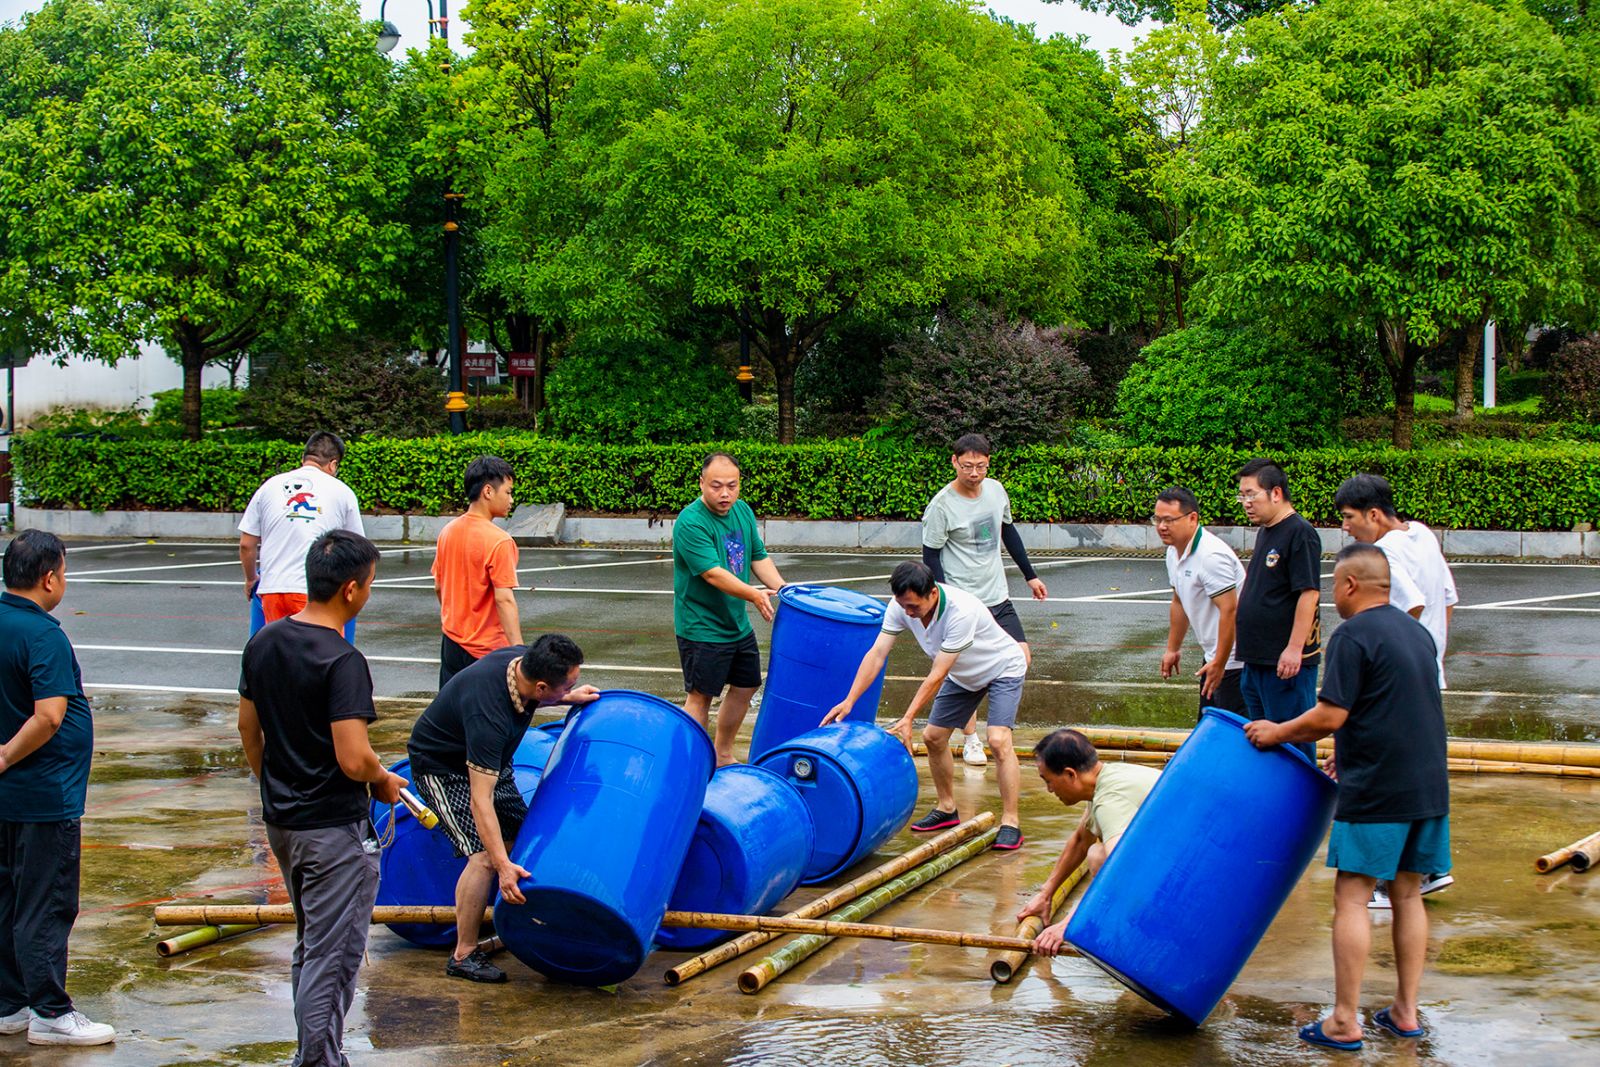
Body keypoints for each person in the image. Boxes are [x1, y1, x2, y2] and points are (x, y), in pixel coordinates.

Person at [1245, 544, 1450, 1052]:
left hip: (1378, 789)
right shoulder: (1416, 632)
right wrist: (1351, 750)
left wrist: (1277, 732)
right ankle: (1405, 1012)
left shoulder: (1353, 635)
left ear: (1352, 585)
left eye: (1335, 584)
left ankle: (1343, 1019)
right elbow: (1394, 706)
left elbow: (1329, 715)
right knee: (1406, 893)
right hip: (1427, 785)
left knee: (1353, 896)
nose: (1333, 595)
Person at [237, 530, 404, 1067]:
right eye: (371, 583)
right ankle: (318, 1060)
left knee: (312, 946)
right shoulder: (342, 660)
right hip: (333, 828)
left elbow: (248, 728)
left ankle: (314, 1052)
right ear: (352, 590)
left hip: (283, 822)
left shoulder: (263, 642)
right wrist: (380, 778)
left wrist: (277, 784)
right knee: (333, 956)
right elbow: (353, 757)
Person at [406, 634, 599, 983]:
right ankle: (463, 954)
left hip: (492, 762)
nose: (572, 685)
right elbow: (481, 801)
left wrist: (569, 696)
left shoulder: (523, 662)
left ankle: (507, 920)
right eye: (567, 684)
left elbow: (538, 695)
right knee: (483, 857)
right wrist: (502, 866)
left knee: (524, 840)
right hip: (443, 769)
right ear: (541, 687)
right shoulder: (489, 715)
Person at [822, 561, 1028, 850]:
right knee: (933, 737)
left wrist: (908, 717)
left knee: (998, 739)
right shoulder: (900, 606)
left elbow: (938, 674)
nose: (908, 613)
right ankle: (947, 808)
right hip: (964, 674)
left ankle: (1011, 821)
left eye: (914, 607)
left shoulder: (961, 610)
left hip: (1002, 667)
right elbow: (877, 654)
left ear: (932, 593)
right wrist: (849, 700)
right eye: (903, 605)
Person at [0, 531, 114, 1047]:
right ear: (50, 578)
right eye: (64, 572)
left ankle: (10, 1003)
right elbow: (49, 716)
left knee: (7, 898)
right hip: (44, 795)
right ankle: (49, 1010)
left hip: (10, 798)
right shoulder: (42, 634)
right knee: (45, 903)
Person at [1334, 473, 1456, 906]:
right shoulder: (1422, 535)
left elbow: (1411, 604)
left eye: (1349, 518)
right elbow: (1447, 598)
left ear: (1373, 513)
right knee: (1423, 768)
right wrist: (1431, 654)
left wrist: (1397, 660)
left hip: (1396, 681)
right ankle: (1430, 868)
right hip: (1426, 671)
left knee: (1390, 773)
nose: (1345, 528)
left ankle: (1390, 879)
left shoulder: (1382, 553)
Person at [921, 432, 1049, 768]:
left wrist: (1030, 575)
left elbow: (1008, 531)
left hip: (997, 596)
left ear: (988, 462)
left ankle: (1000, 726)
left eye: (980, 466)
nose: (974, 473)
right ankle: (971, 738)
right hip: (964, 602)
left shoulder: (996, 491)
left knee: (1020, 658)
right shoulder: (942, 506)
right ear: (954, 462)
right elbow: (930, 556)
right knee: (967, 672)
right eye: (967, 466)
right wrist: (945, 602)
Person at [672, 452, 786, 766]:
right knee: (700, 696)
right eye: (716, 486)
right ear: (701, 484)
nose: (725, 494)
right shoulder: (691, 522)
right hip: (702, 626)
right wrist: (753, 594)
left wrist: (784, 589)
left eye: (732, 486)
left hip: (735, 623)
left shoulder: (743, 512)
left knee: (747, 684)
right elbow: (712, 573)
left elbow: (757, 557)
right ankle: (690, 763)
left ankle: (722, 753)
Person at [1020, 729, 1160, 956]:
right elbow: (1079, 840)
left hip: (1193, 874)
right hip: (1175, 856)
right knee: (1094, 850)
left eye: (1049, 781)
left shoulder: (1110, 800)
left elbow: (1119, 867)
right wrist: (1046, 894)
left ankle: (1140, 931)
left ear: (1070, 774)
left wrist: (1069, 924)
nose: (1049, 790)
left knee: (1099, 857)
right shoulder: (1106, 778)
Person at [1234, 458, 1323, 758]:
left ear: (1276, 493)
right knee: (1260, 740)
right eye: (1241, 496)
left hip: (1284, 664)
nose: (1245, 502)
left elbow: (1308, 594)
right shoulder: (1267, 531)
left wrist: (1294, 648)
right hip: (1257, 660)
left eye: (1251, 494)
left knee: (1292, 742)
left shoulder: (1300, 532)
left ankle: (1301, 803)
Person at [239, 431, 364, 633]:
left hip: (273, 589)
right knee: (320, 656)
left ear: (303, 458)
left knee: (280, 654)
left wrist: (251, 579)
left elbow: (247, 544)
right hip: (316, 591)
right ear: (333, 465)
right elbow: (357, 548)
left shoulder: (269, 486)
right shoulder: (342, 491)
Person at [1153, 486, 1246, 716]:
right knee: (1209, 727)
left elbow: (1230, 611)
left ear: (1192, 518)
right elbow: (1179, 601)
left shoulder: (1211, 557)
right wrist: (1172, 649)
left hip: (1236, 663)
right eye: (1157, 519)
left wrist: (1220, 663)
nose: (1161, 526)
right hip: (1215, 658)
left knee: (1232, 735)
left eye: (1169, 520)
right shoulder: (1174, 551)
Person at [433, 456, 522, 688]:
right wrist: (519, 652)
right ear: (488, 491)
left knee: (451, 713)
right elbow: (504, 600)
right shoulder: (500, 541)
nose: (511, 499)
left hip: (451, 641)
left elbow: (439, 586)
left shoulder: (448, 532)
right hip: (487, 650)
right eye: (508, 492)